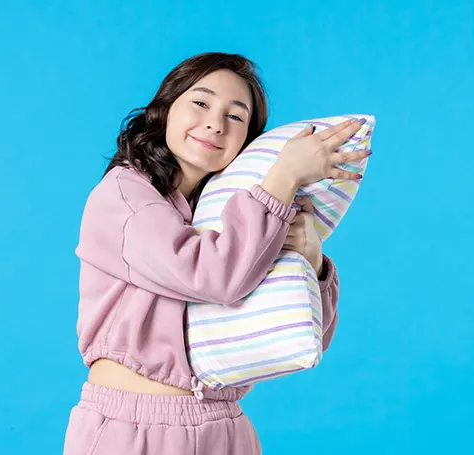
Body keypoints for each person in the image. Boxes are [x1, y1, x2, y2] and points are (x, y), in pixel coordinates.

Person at [63, 52, 370, 455]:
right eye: (201, 102)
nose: (215, 123)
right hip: (134, 428)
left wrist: (311, 257)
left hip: (224, 425)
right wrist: (284, 174)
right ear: (166, 108)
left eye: (236, 116)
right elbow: (212, 277)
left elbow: (307, 333)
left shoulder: (235, 212)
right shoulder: (124, 195)